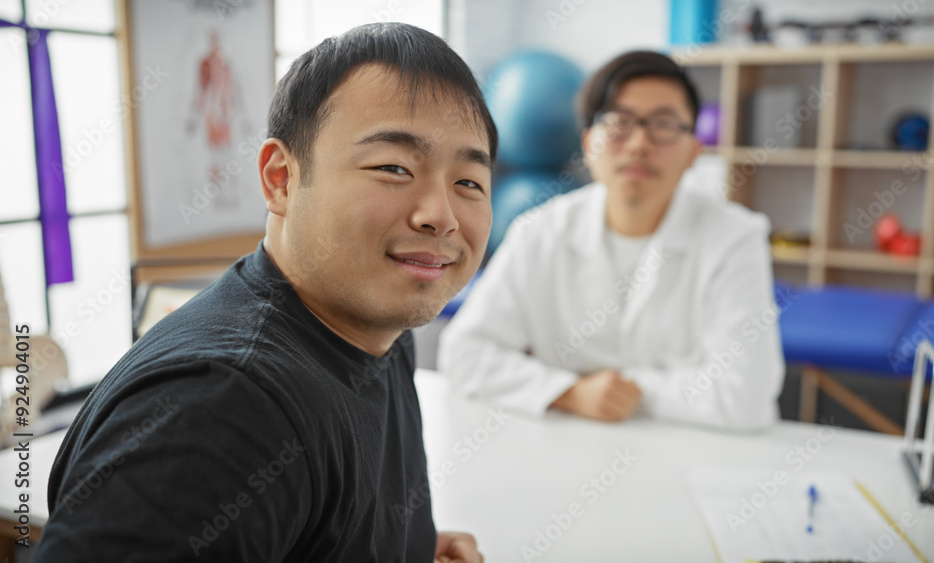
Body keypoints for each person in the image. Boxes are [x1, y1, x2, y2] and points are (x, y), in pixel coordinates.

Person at [36, 23, 494, 562]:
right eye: (393, 167)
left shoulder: (380, 327)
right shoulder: (222, 409)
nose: (439, 216)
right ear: (280, 178)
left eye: (468, 182)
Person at [438, 50, 783, 430]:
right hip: (567, 448)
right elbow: (464, 353)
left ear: (693, 151)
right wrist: (570, 393)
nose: (638, 144)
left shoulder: (735, 238)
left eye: (664, 125)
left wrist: (625, 389)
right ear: (588, 144)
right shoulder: (540, 230)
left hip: (693, 455)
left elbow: (745, 397)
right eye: (620, 122)